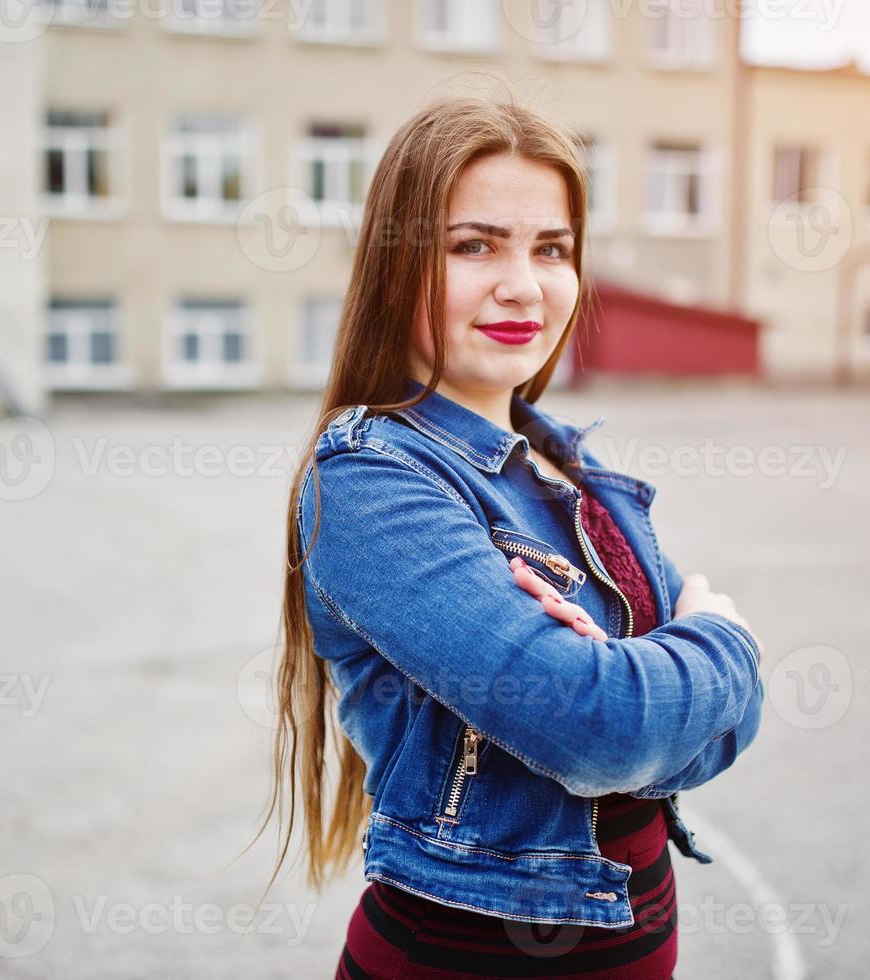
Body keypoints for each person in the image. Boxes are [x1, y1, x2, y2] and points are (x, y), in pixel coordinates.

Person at [252, 91, 766, 979]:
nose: (523, 285)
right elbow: (605, 733)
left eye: (551, 248)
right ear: (393, 263)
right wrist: (720, 641)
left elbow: (703, 733)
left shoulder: (567, 466)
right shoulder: (371, 478)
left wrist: (630, 705)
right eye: (473, 245)